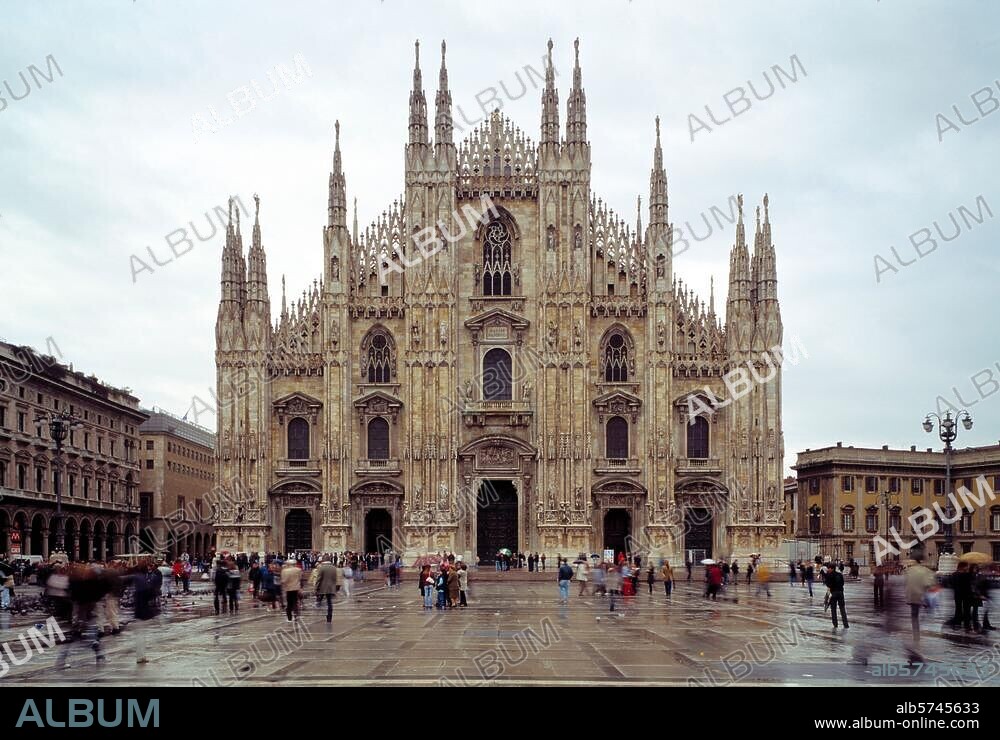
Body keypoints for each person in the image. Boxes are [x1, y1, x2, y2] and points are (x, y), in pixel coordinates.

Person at [130, 561, 161, 665]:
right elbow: (147, 593)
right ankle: (140, 657)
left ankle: (142, 656)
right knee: (140, 634)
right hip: (141, 609)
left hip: (140, 609)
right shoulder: (142, 578)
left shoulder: (138, 577)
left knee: (140, 634)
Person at [903, 557, 935, 645]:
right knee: (920, 614)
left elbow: (905, 582)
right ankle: (918, 634)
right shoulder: (924, 570)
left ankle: (916, 635)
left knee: (914, 616)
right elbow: (928, 584)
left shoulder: (909, 571)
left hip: (912, 596)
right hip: (921, 596)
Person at [314, 557, 338, 622]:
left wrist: (316, 587)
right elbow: (335, 578)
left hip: (323, 587)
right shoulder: (334, 568)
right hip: (331, 587)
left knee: (321, 600)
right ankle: (329, 617)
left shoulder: (322, 568)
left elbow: (319, 579)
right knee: (329, 602)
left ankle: (321, 611)